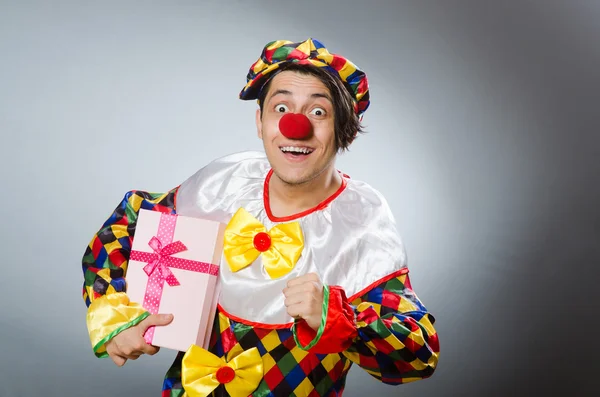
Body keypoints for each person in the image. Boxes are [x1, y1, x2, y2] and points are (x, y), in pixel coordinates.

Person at [82, 38, 439, 397]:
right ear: (260, 121)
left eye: (318, 112)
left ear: (343, 128)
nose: (294, 127)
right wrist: (117, 315)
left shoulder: (361, 221)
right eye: (281, 108)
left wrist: (338, 319)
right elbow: (129, 223)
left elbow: (419, 355)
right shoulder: (226, 184)